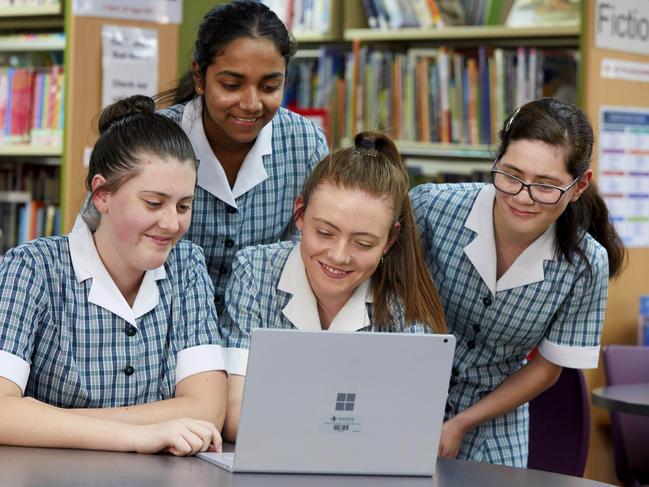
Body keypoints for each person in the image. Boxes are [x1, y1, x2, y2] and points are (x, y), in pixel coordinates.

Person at [0, 96, 226, 456]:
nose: (172, 224)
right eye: (153, 203)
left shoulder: (187, 265)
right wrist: (140, 436)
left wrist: (53, 422)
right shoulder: (33, 268)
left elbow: (208, 408)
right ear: (102, 194)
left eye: (184, 206)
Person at [410, 97, 626, 467]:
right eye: (511, 175)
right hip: (406, 396)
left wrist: (461, 423)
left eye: (546, 186)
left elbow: (547, 368)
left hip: (495, 420)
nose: (522, 198)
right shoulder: (431, 208)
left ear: (578, 186)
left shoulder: (586, 264)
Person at [220, 132, 446, 441]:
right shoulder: (255, 272)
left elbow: (411, 430)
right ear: (300, 215)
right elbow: (234, 415)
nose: (339, 256)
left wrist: (282, 417)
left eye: (363, 243)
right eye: (325, 233)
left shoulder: (404, 300)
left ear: (390, 241)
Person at [158, 1, 328, 315]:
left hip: (262, 326)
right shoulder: (154, 139)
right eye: (232, 85)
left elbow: (311, 254)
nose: (251, 104)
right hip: (163, 327)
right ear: (200, 76)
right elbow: (102, 245)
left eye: (269, 86)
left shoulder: (304, 143)